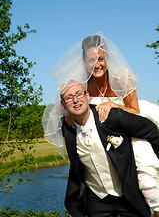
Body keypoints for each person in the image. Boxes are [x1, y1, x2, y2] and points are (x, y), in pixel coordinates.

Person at [42, 32, 159, 214]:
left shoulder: (121, 76)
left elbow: (135, 110)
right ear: (84, 61)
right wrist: (68, 115)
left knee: (148, 183)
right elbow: (74, 101)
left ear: (108, 58)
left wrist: (113, 106)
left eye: (100, 59)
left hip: (129, 121)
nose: (96, 65)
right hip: (100, 129)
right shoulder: (83, 82)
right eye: (90, 60)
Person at [60, 80, 159, 217]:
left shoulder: (112, 117)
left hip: (127, 195)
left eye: (79, 94)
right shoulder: (66, 128)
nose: (76, 100)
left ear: (88, 96)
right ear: (63, 104)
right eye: (69, 98)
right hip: (96, 199)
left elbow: (151, 130)